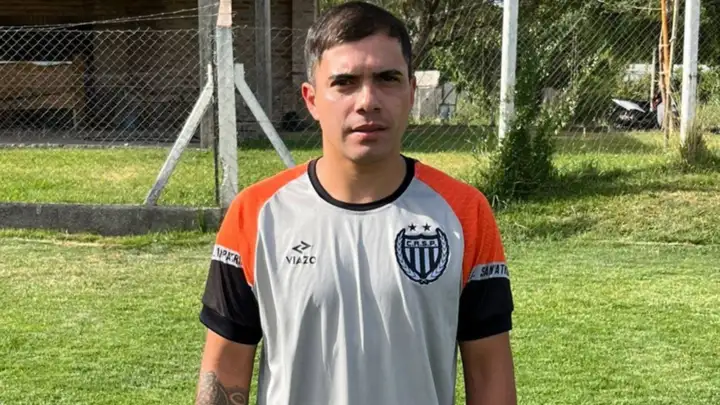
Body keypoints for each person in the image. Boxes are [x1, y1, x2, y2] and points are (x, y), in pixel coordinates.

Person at [193, 2, 517, 404]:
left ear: (411, 91)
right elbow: (225, 372)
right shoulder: (257, 214)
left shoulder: (464, 213)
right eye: (345, 82)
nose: (367, 100)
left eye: (387, 78)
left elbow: (489, 373)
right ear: (312, 99)